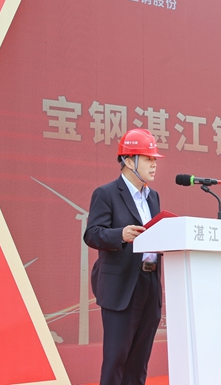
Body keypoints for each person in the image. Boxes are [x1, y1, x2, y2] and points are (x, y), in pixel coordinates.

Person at [84, 128, 164, 385]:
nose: (154, 165)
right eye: (148, 159)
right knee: (116, 359)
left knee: (139, 361)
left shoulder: (153, 197)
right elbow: (92, 234)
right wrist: (120, 234)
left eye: (154, 159)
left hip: (149, 284)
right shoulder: (106, 193)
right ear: (129, 161)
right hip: (122, 288)